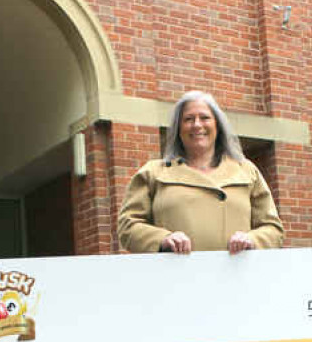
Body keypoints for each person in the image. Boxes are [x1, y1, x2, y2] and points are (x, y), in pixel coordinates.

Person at [118, 90, 284, 253]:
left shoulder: (246, 171)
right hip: (175, 275)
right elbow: (128, 225)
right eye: (188, 119)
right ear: (178, 128)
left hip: (237, 275)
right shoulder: (153, 173)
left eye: (204, 118)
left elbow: (273, 230)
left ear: (217, 125)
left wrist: (252, 240)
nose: (197, 125)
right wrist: (162, 239)